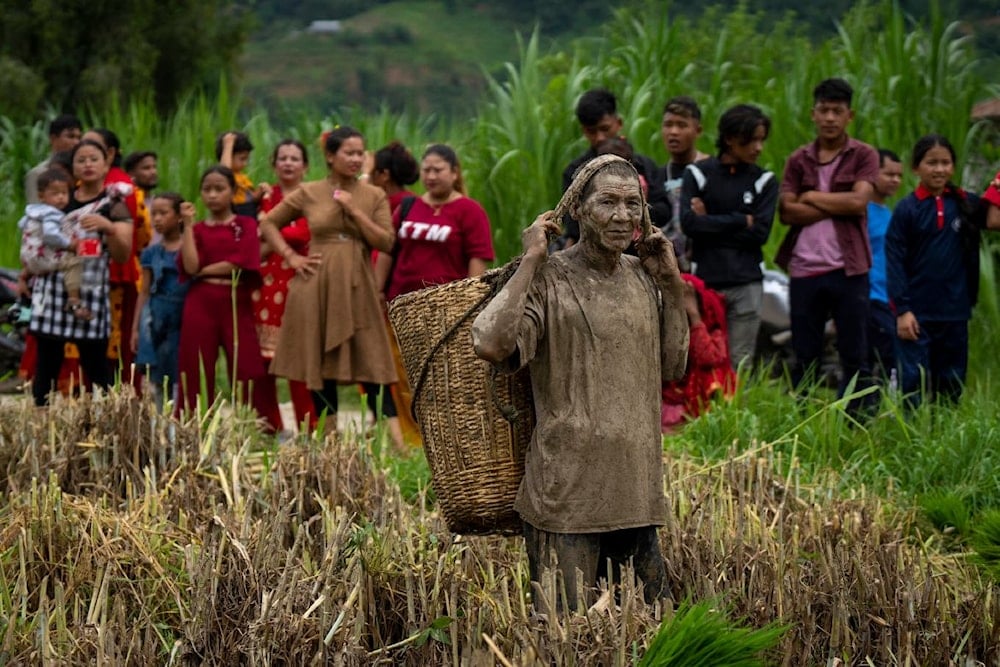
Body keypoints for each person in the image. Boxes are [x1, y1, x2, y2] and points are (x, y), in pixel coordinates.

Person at [472, 154, 688, 612]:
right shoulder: (550, 279)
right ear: (577, 209)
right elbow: (490, 344)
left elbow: (673, 366)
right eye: (607, 202)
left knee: (650, 629)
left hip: (636, 492)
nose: (622, 216)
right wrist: (531, 259)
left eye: (633, 204)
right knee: (563, 632)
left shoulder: (644, 279)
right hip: (566, 493)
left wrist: (671, 283)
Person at [259, 126, 397, 438]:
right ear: (330, 156)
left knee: (372, 356)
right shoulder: (309, 191)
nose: (356, 159)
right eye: (349, 153)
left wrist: (353, 211)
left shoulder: (374, 195)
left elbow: (386, 242)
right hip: (316, 284)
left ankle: (395, 441)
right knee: (321, 363)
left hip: (358, 281)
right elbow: (268, 223)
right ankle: (329, 439)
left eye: (360, 153)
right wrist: (290, 257)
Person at [375, 144, 496, 448]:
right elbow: (389, 251)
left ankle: (445, 440)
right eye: (426, 169)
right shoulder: (407, 207)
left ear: (454, 173)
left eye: (437, 169)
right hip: (401, 305)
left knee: (442, 379)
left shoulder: (469, 210)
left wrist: (468, 306)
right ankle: (410, 442)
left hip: (446, 311)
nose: (430, 176)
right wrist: (377, 290)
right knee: (401, 374)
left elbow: (477, 263)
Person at [775, 78, 879, 400]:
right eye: (824, 110)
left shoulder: (864, 155)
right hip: (805, 269)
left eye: (837, 111)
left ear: (850, 115)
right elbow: (787, 213)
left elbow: (858, 203)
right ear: (813, 114)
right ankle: (802, 419)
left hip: (848, 270)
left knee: (854, 353)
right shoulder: (798, 159)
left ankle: (855, 420)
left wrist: (811, 195)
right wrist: (837, 202)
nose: (830, 118)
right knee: (805, 353)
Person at [885, 135, 997, 406]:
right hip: (916, 314)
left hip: (955, 311)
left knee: (951, 380)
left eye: (945, 163)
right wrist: (902, 310)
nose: (939, 169)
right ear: (916, 168)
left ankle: (944, 439)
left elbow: (994, 219)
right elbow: (895, 261)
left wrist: (997, 186)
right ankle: (911, 442)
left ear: (953, 167)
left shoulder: (965, 204)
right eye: (931, 162)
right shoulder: (907, 210)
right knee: (913, 380)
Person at [29, 139, 134, 407]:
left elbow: (123, 254)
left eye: (93, 159)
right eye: (81, 160)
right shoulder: (59, 198)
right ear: (72, 167)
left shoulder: (114, 205)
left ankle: (108, 427)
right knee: (47, 366)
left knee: (96, 367)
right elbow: (39, 241)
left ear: (106, 163)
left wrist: (108, 227)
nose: (87, 165)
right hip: (53, 290)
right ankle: (42, 427)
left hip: (91, 293)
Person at [176, 166, 281, 432]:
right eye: (207, 189)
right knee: (196, 364)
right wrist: (187, 226)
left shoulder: (245, 225)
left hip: (236, 299)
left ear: (233, 192)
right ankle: (193, 428)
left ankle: (262, 427)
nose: (212, 195)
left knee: (248, 365)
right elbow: (189, 266)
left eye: (219, 188)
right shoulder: (197, 229)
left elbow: (243, 262)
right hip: (200, 301)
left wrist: (205, 269)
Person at [680, 104, 777, 370]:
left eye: (761, 140)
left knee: (739, 363)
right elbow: (689, 224)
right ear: (730, 139)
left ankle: (734, 412)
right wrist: (739, 220)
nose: (758, 147)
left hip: (747, 284)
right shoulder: (698, 174)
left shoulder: (765, 180)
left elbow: (760, 233)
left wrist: (709, 221)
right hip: (706, 283)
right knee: (704, 359)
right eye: (751, 140)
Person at [253, 139, 316, 432]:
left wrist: (270, 232)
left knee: (298, 359)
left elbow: (303, 233)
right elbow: (254, 239)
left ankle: (308, 425)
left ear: (305, 166)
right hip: (263, 286)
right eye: (283, 158)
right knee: (261, 361)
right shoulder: (263, 197)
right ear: (273, 164)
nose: (288, 163)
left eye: (294, 158)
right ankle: (268, 424)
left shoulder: (312, 197)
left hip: (299, 282)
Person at [558, 89, 668, 247]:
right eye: (591, 131)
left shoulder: (644, 166)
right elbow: (572, 223)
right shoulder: (576, 172)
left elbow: (664, 211)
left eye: (605, 129)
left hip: (641, 253)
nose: (600, 137)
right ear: (583, 131)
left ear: (619, 123)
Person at [82, 128, 151, 379]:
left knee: (107, 342)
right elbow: (144, 235)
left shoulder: (116, 191)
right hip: (105, 274)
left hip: (110, 274)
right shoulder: (129, 188)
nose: (87, 157)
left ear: (109, 154)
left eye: (94, 150)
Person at [131, 193, 188, 406]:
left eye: (164, 213)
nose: (157, 219)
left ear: (179, 216)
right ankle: (161, 419)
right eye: (153, 214)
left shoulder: (189, 249)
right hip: (156, 316)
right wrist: (136, 328)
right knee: (157, 374)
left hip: (182, 316)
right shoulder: (151, 253)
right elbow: (144, 291)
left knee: (178, 369)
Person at [661, 274, 737, 432]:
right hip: (667, 397)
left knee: (712, 375)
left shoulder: (712, 327)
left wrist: (694, 316)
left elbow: (708, 357)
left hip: (693, 401)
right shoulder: (665, 323)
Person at [18, 168, 92, 320]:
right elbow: (51, 235)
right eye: (55, 193)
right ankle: (74, 300)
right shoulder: (52, 213)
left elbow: (22, 225)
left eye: (64, 193)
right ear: (41, 196)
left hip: (29, 259)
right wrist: (69, 245)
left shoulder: (33, 211)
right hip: (44, 258)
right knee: (74, 262)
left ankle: (21, 289)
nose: (61, 198)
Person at [865, 148, 903, 385]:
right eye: (888, 174)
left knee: (889, 359)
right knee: (874, 359)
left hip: (890, 297)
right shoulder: (860, 212)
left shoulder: (889, 213)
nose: (895, 180)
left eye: (899, 176)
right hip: (868, 295)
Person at [659, 96, 710, 269]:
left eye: (681, 125)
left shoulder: (712, 171)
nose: (673, 132)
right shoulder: (659, 174)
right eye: (668, 125)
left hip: (705, 263)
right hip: (669, 266)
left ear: (698, 130)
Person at [24, 114, 82, 204]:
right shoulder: (38, 174)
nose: (76, 142)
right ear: (53, 138)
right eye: (70, 136)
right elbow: (35, 210)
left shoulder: (82, 171)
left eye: (79, 138)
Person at [365, 140, 420, 212]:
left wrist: (365, 175)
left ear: (385, 175)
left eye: (372, 173)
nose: (371, 177)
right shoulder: (414, 199)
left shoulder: (388, 205)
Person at [217, 131, 259, 218]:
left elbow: (252, 197)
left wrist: (261, 191)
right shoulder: (227, 176)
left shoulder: (243, 178)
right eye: (242, 159)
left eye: (247, 159)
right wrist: (228, 146)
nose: (245, 163)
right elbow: (224, 172)